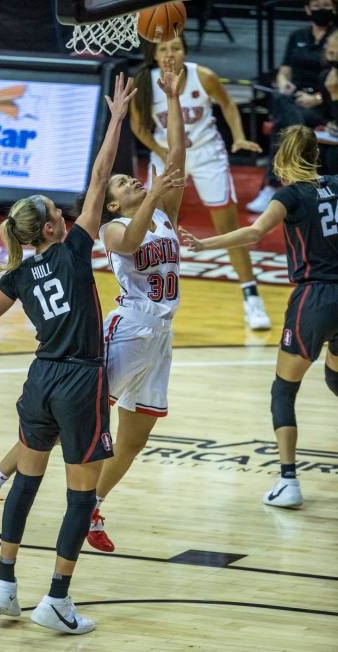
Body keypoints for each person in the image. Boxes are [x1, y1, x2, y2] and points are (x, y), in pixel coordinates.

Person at [0, 73, 138, 635]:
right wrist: (114, 121)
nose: (68, 213)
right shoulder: (75, 248)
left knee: (27, 483)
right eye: (56, 212)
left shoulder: (17, 272)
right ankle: (57, 600)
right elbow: (97, 179)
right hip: (78, 381)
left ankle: (4, 585)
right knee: (79, 497)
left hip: (37, 382)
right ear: (49, 226)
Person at [0, 58, 186, 554]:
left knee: (134, 438)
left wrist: (170, 96)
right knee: (69, 426)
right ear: (114, 204)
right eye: (124, 184)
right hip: (127, 330)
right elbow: (130, 236)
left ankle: (92, 503)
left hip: (161, 337)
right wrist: (143, 182)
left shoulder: (160, 210)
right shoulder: (110, 228)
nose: (132, 183)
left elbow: (177, 160)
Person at [182, 124, 338, 508]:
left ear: (283, 159)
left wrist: (205, 244)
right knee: (335, 376)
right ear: (316, 155)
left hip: (314, 297)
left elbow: (254, 233)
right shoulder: (336, 183)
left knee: (283, 389)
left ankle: (288, 482)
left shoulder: (289, 195)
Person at [130, 35, 271, 331]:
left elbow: (228, 104)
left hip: (207, 154)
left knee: (227, 226)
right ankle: (148, 295)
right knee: (156, 227)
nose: (170, 54)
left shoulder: (202, 76)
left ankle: (251, 295)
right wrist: (161, 152)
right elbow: (138, 125)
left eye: (176, 48)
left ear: (185, 52)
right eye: (164, 49)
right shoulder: (145, 80)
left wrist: (240, 135)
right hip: (166, 155)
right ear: (154, 55)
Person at [247, 0, 337, 213]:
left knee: (284, 123)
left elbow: (332, 85)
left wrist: (316, 97)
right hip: (295, 98)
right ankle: (294, 133)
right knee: (282, 99)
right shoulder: (298, 36)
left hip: (321, 105)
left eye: (326, 4)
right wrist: (282, 81)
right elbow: (285, 68)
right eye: (317, 5)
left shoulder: (335, 38)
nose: (321, 9)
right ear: (307, 9)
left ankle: (272, 186)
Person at [317, 29, 338, 173]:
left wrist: (335, 94)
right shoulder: (325, 77)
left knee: (333, 156)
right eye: (331, 54)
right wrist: (330, 125)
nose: (334, 59)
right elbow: (327, 114)